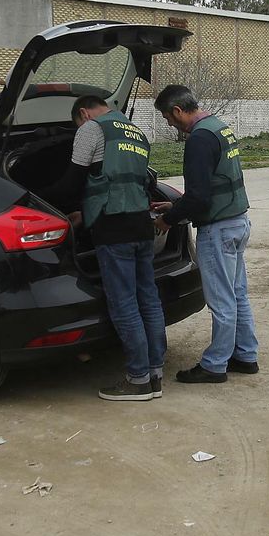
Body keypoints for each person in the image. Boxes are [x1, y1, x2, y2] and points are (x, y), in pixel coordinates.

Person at [38, 95, 166, 402]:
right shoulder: (135, 130)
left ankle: (137, 380)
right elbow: (131, 182)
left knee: (124, 304)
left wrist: (33, 197)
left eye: (77, 123)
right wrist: (87, 210)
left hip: (113, 229)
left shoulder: (91, 129)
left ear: (83, 113)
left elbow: (72, 183)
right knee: (148, 298)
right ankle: (154, 373)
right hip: (141, 226)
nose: (80, 127)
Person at [151, 85, 259, 384]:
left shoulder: (199, 138)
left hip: (218, 229)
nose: (170, 124)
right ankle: (246, 355)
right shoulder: (219, 127)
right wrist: (176, 203)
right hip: (237, 222)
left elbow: (199, 198)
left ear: (176, 111)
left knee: (221, 299)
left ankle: (215, 365)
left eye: (167, 118)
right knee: (237, 294)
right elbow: (213, 184)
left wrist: (168, 219)